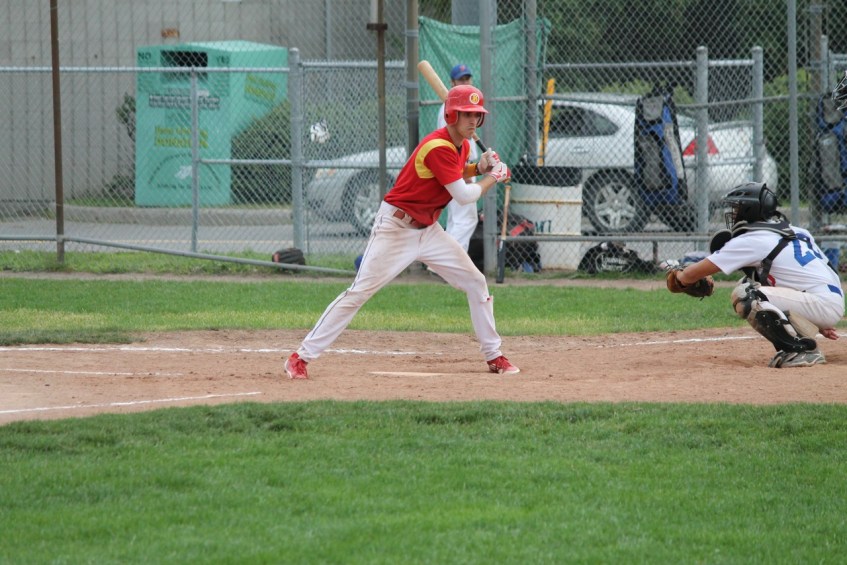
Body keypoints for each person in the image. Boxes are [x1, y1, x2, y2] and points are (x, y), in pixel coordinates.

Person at [285, 84, 519, 379]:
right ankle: (300, 357)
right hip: (396, 228)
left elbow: (452, 173)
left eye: (476, 115)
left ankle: (494, 355)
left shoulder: (459, 146)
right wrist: (493, 177)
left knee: (475, 282)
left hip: (428, 231)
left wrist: (477, 169)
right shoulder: (438, 146)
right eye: (466, 114)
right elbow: (463, 196)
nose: (473, 120)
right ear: (451, 115)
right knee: (359, 292)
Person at [669, 182, 844, 368]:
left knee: (746, 294)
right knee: (752, 281)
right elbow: (818, 272)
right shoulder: (798, 231)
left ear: (749, 210)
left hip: (821, 302)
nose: (733, 213)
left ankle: (801, 351)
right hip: (829, 299)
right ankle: (802, 337)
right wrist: (817, 315)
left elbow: (690, 275)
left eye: (737, 208)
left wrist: (679, 276)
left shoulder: (752, 239)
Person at [436, 64, 481, 254]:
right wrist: (466, 172)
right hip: (459, 169)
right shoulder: (450, 110)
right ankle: (450, 261)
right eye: (461, 79)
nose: (465, 82)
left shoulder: (462, 107)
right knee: (465, 219)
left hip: (461, 168)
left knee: (457, 219)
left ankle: (443, 261)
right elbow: (452, 144)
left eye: (467, 78)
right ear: (452, 83)